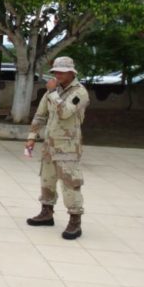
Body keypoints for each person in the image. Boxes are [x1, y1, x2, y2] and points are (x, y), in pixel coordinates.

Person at [25, 56, 90, 240]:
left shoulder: (79, 93)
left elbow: (65, 113)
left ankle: (75, 221)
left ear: (72, 72)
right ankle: (46, 213)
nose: (58, 75)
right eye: (56, 72)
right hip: (49, 145)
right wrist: (31, 137)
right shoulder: (52, 91)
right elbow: (40, 115)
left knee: (70, 184)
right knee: (47, 180)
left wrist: (53, 93)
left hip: (68, 147)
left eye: (62, 71)